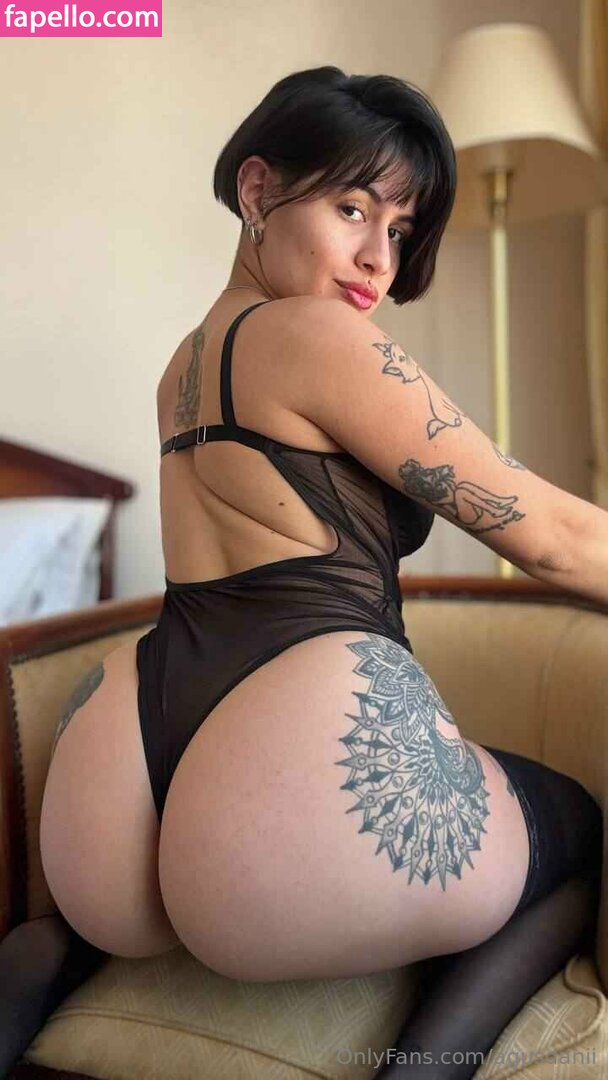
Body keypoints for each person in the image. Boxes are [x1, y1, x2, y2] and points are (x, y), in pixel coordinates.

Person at [5, 66, 601, 1080]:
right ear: (257, 191)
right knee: (574, 823)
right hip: (282, 753)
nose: (378, 260)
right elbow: (547, 534)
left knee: (73, 929)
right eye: (351, 208)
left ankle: (49, 959)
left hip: (128, 752)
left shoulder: (185, 364)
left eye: (401, 229)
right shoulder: (317, 336)